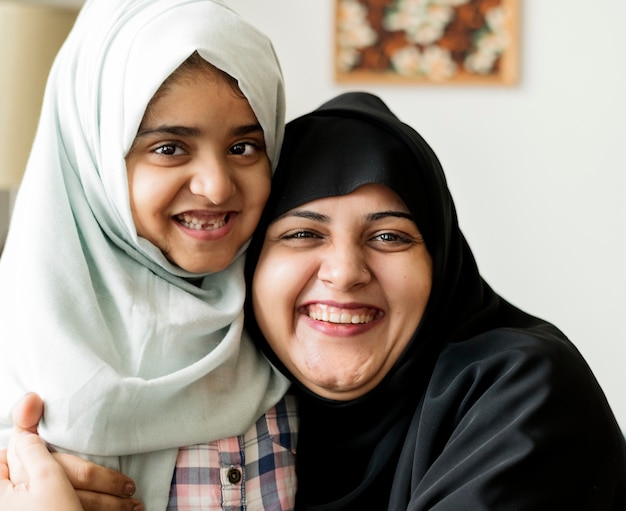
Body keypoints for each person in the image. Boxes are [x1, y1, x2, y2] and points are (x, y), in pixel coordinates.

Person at [242, 91, 626, 509]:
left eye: (389, 236)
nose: (346, 272)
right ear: (250, 263)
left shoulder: (523, 389)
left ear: (440, 263)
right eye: (303, 234)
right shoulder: (223, 404)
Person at [0, 0, 296, 510]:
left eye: (244, 147)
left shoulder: (294, 323)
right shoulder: (15, 347)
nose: (215, 186)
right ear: (97, 160)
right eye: (169, 148)